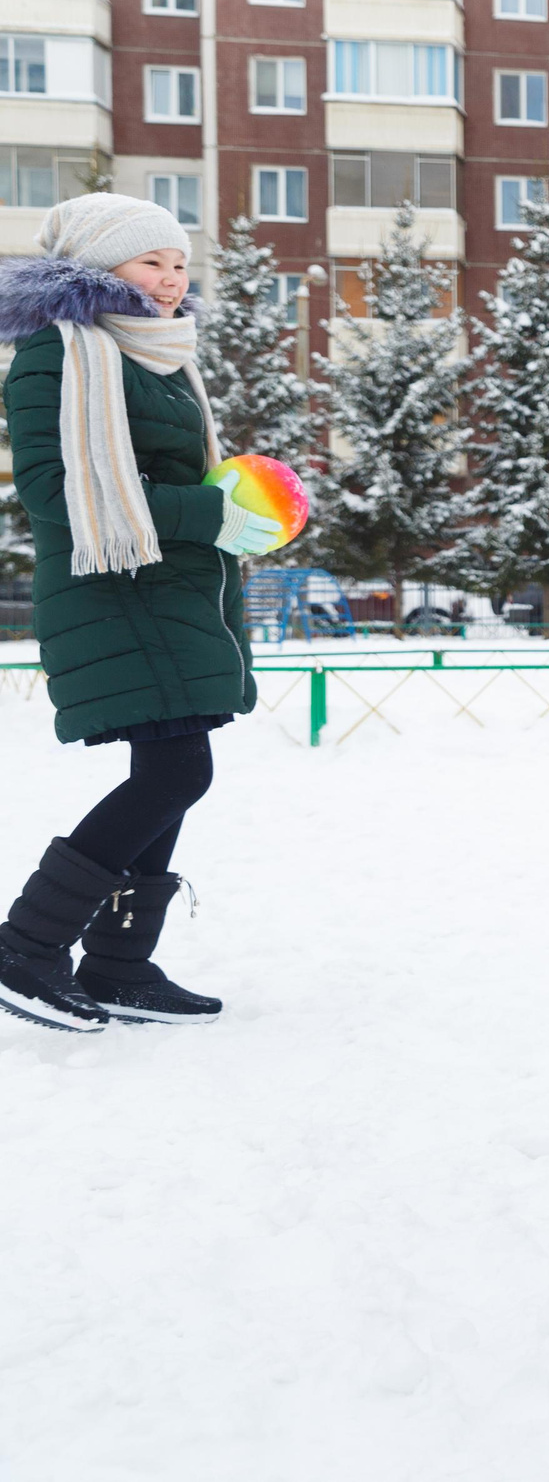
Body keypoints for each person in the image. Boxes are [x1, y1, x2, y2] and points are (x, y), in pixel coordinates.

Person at [0, 193, 288, 1033]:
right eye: (148, 262)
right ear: (96, 266)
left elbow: (171, 475)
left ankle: (119, 963)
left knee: (166, 773)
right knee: (175, 773)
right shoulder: (59, 353)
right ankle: (24, 948)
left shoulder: (160, 357)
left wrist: (241, 503)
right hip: (115, 587)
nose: (169, 280)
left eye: (177, 264)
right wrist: (210, 516)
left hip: (174, 586)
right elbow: (58, 493)